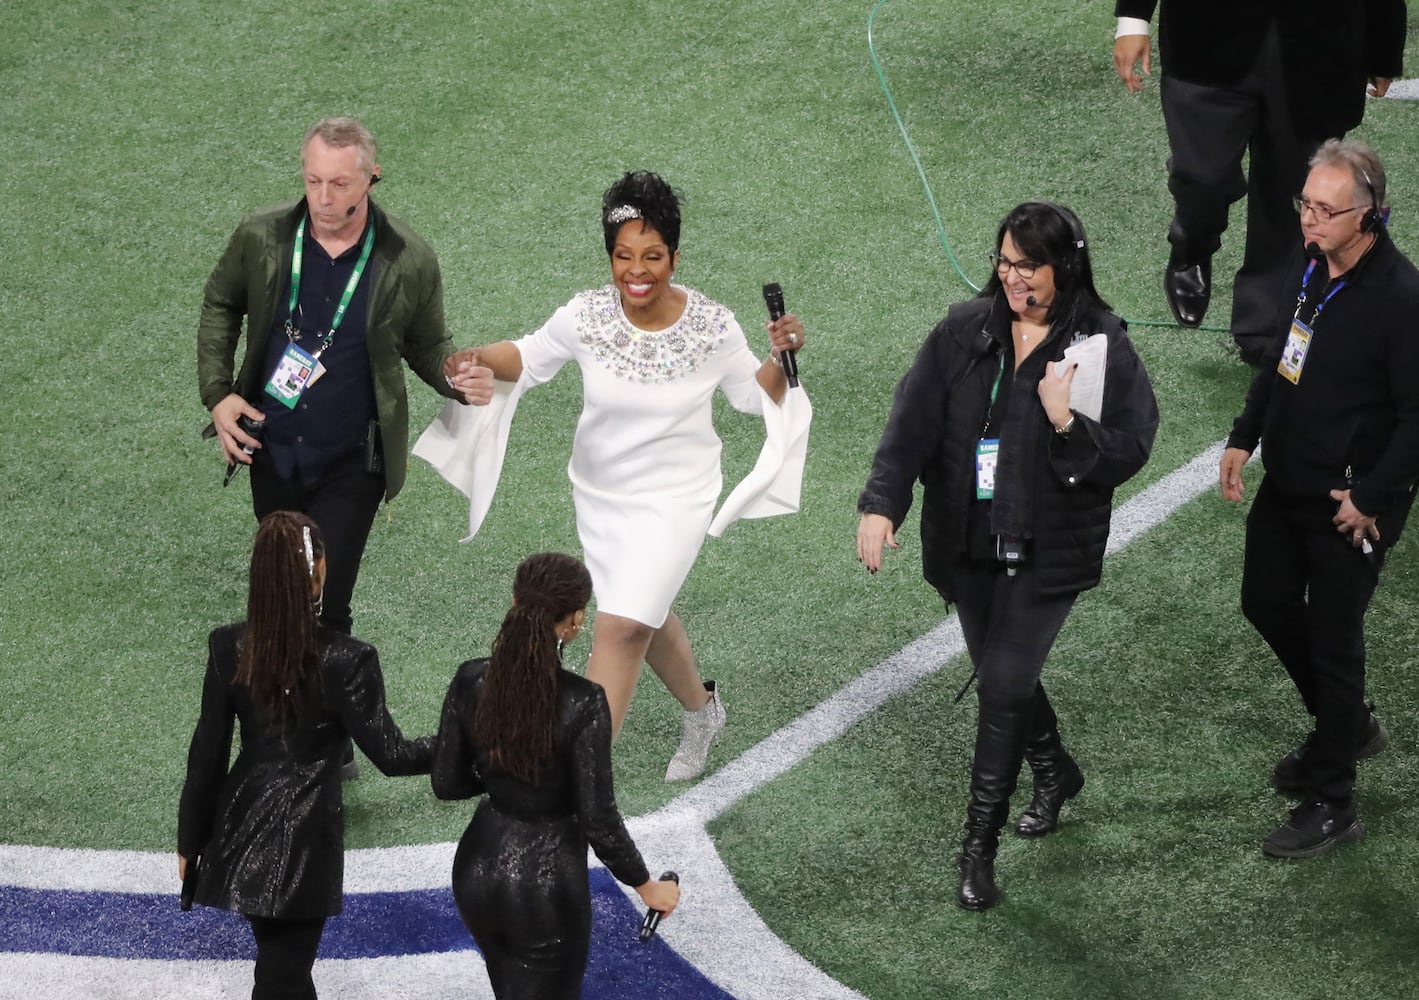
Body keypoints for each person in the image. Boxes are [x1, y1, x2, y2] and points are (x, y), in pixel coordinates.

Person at [416, 170, 811, 782]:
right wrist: (470, 359)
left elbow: (753, 398)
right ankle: (704, 712)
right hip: (601, 497)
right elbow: (524, 357)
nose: (637, 270)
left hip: (678, 499)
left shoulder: (711, 325)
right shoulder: (588, 316)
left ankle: (575, 778)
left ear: (675, 257)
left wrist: (782, 362)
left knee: (621, 626)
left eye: (652, 256)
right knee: (645, 616)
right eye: (623, 256)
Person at [857, 203, 1158, 910]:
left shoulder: (1097, 346)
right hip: (965, 541)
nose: (1013, 278)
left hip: (1047, 550)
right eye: (1004, 262)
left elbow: (1130, 447)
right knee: (1004, 676)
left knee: (1000, 689)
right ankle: (1054, 770)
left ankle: (976, 851)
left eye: (1029, 265)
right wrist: (881, 504)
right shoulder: (964, 331)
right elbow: (910, 423)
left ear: (1065, 267)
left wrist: (1065, 421)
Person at [197, 115, 493, 640]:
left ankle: (327, 717)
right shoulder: (261, 237)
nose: (323, 198)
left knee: (326, 604)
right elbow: (222, 301)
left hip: (352, 462)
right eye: (313, 181)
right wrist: (218, 395)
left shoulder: (408, 258)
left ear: (372, 178)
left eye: (339, 184)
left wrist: (456, 377)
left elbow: (427, 346)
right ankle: (282, 712)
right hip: (271, 447)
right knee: (280, 594)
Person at [1219, 140, 1419, 859]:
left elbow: (1414, 417)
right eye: (1304, 204)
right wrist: (1244, 435)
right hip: (1289, 481)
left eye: (1324, 211)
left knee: (1334, 645)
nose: (1307, 220)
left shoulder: (1401, 299)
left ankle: (1333, 800)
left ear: (1367, 217)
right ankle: (1346, 728)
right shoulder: (1311, 269)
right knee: (1264, 602)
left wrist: (1369, 497)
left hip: (1349, 504)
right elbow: (1283, 354)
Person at [177, 511, 434, 999]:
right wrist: (467, 742)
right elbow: (394, 754)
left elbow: (206, 755)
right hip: (305, 841)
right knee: (282, 975)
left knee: (286, 971)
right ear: (317, 572)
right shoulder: (347, 659)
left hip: (240, 829)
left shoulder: (229, 646)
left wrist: (190, 839)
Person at [432, 552, 681, 999]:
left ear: (514, 601)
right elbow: (598, 820)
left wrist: (500, 777)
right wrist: (647, 887)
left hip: (476, 871)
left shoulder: (472, 679)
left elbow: (447, 782)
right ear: (576, 621)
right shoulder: (584, 703)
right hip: (545, 888)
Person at [1111, 1, 1405, 361]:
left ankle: (1265, 328)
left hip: (1323, 47)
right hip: (1204, 37)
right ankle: (1192, 243)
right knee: (1203, 177)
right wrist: (1132, 18)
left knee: (1293, 197)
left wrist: (1384, 48)